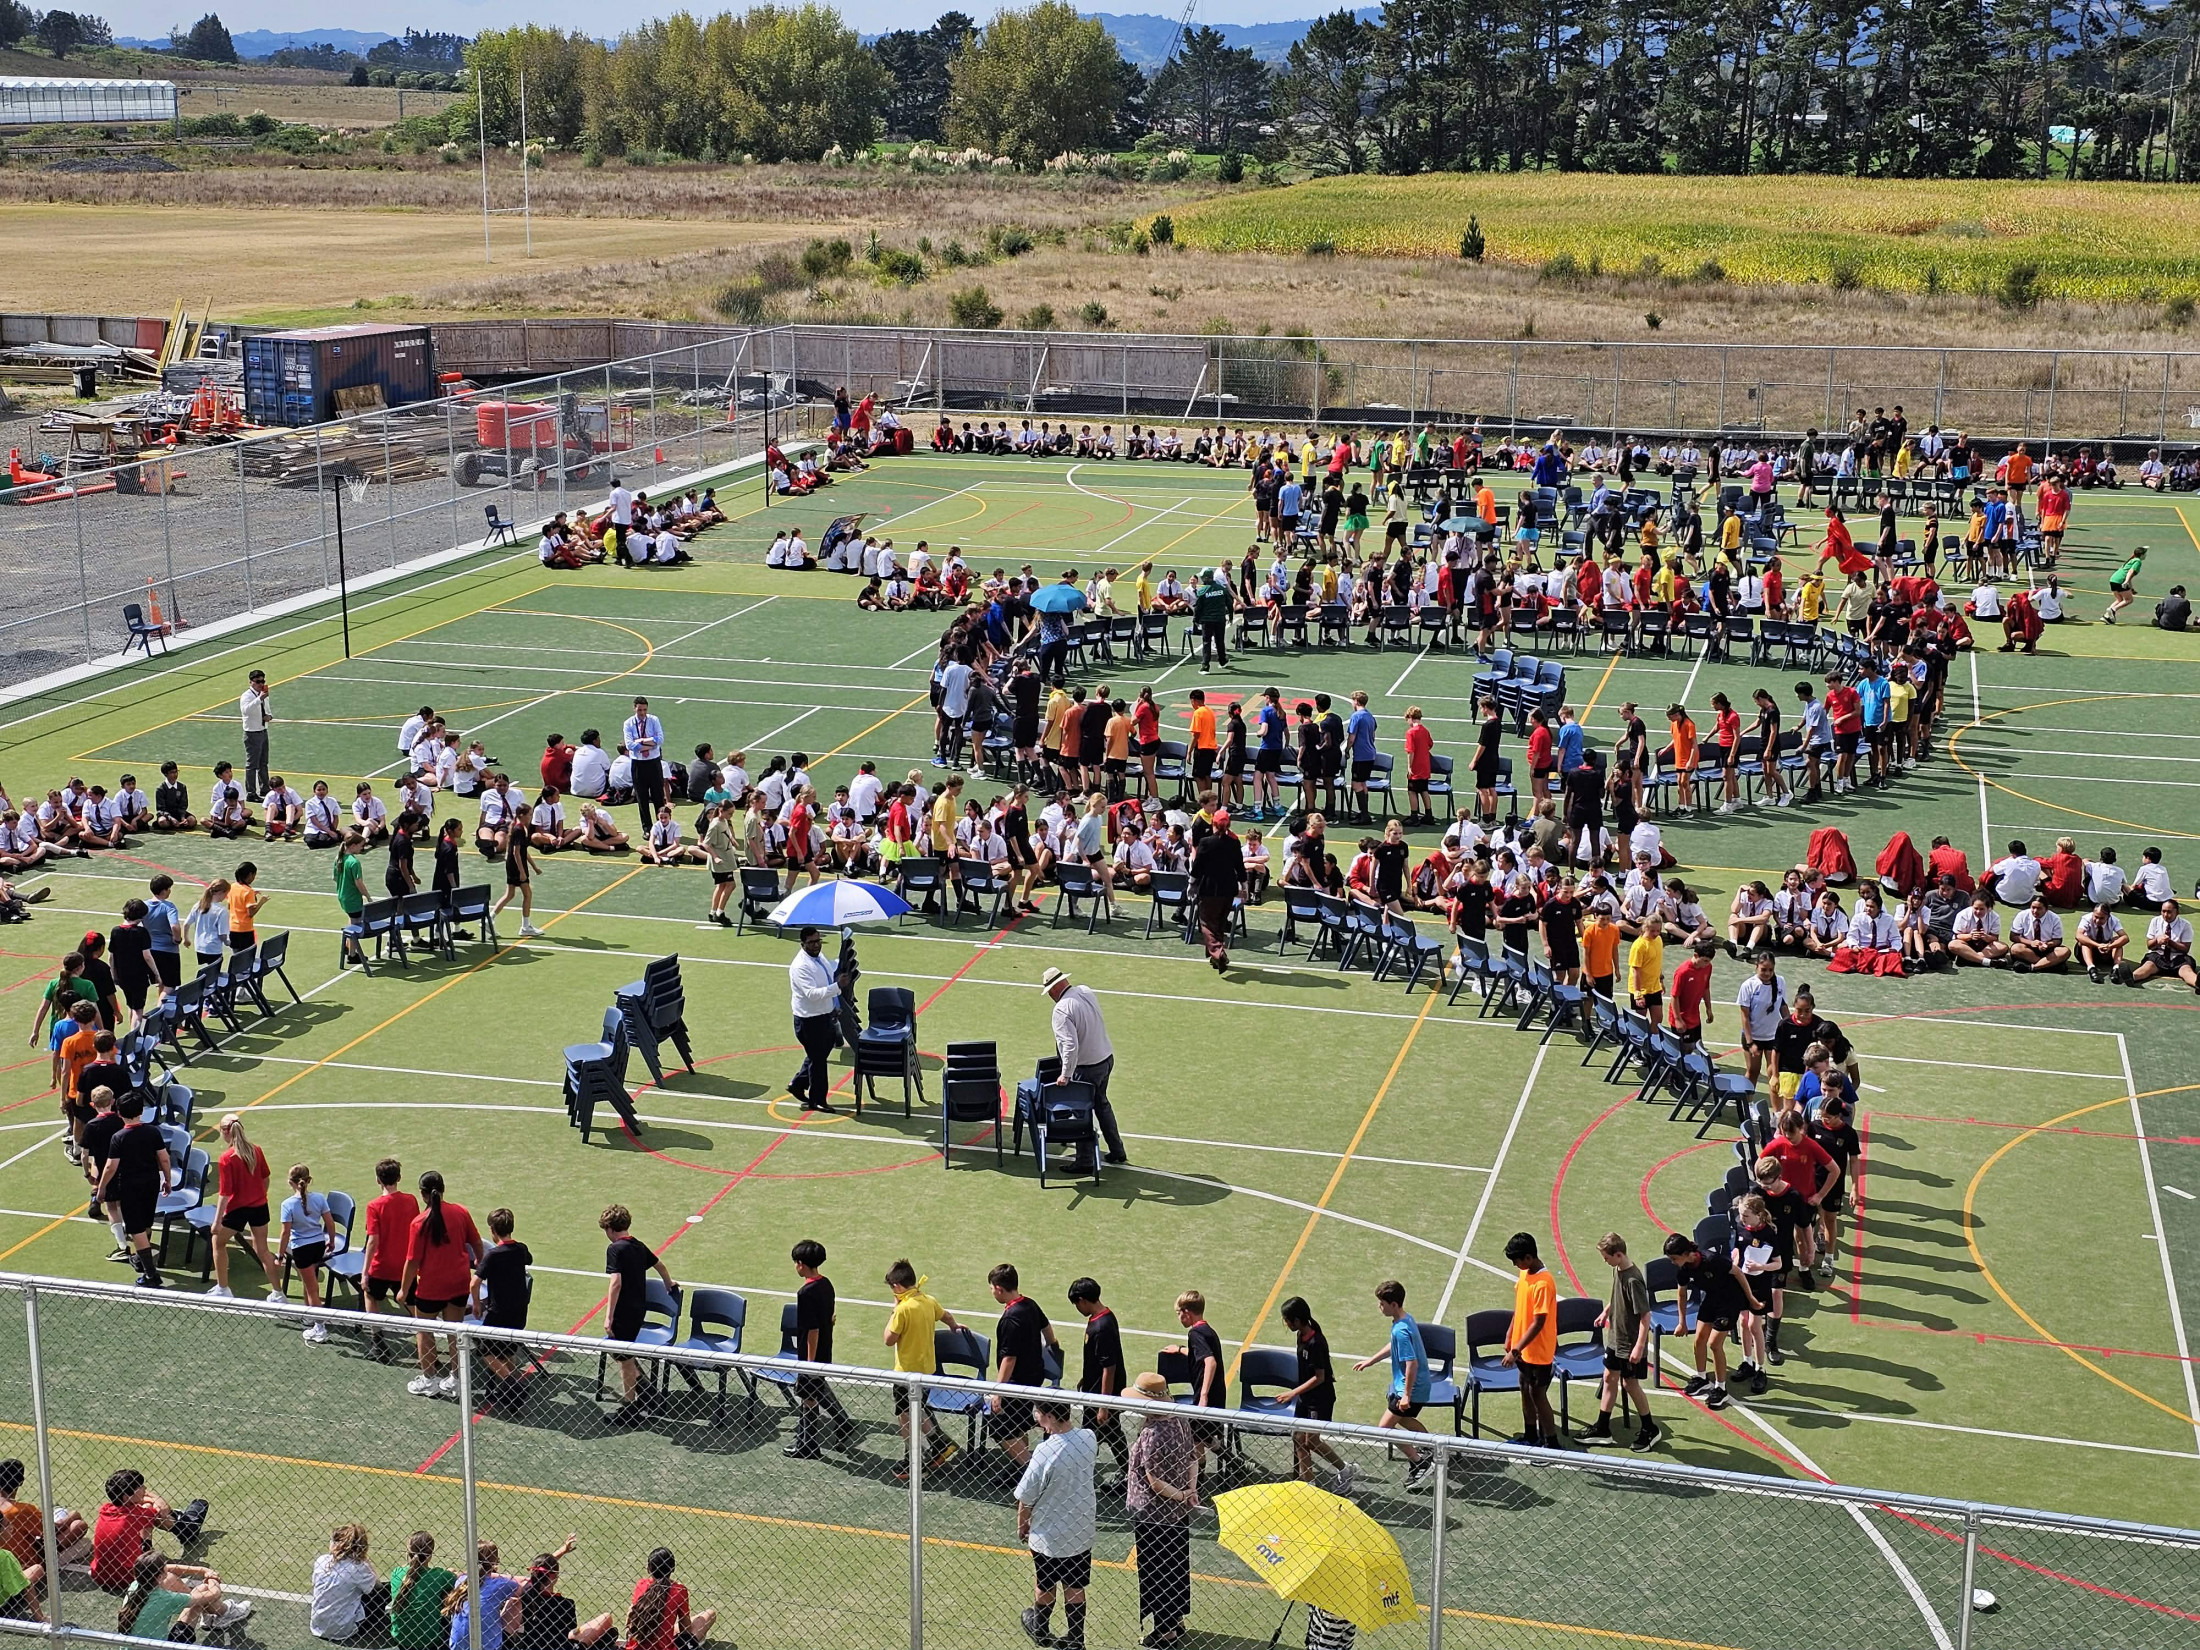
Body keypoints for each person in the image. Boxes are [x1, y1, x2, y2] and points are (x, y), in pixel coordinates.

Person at [1015, 1402, 1098, 1650]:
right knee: (1075, 1584)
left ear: (1049, 1416)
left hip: (1049, 1532)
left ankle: (1040, 1628)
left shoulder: (1044, 1451)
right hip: (1080, 1529)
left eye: (1038, 1413)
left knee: (1045, 1583)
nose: (1036, 1417)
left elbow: (1026, 1497)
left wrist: (1022, 1524)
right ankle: (1075, 1639)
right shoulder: (1088, 1438)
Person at [1125, 1371, 1196, 1647]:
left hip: (1153, 1516)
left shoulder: (1152, 1435)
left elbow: (1154, 1481)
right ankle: (1176, 1620)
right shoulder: (1181, 1420)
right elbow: (1193, 1459)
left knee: (1156, 1570)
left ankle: (1164, 1631)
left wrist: (1179, 1495)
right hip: (1177, 1516)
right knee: (1176, 1566)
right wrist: (1190, 1491)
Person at [399, 1169, 484, 1398]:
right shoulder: (460, 1212)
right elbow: (477, 1243)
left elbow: (412, 1261)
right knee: (455, 1333)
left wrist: (403, 1289)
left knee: (424, 1332)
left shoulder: (418, 1222)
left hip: (430, 1289)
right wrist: (480, 1266)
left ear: (422, 1194)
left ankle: (429, 1380)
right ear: (443, 1189)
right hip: (458, 1284)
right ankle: (456, 1379)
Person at [1664, 1230, 1761, 1411]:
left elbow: (1739, 1273)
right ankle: (1702, 1378)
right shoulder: (1683, 1268)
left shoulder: (1713, 1260)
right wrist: (1682, 1321)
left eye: (1674, 1258)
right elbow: (1682, 1293)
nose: (1672, 1263)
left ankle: (1720, 1388)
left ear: (1686, 1254)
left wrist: (1751, 1299)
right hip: (1712, 1299)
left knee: (1715, 1344)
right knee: (1699, 1339)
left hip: (1730, 1300)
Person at [601, 1203, 679, 1425]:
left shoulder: (615, 1249)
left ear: (609, 1228)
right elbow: (659, 1265)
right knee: (621, 1353)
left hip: (623, 1312)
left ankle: (630, 1407)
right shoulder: (637, 1245)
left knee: (624, 1359)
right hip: (638, 1311)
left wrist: (608, 1316)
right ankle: (648, 1392)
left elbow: (615, 1284)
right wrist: (668, 1282)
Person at [883, 1260, 961, 1478]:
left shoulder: (903, 1310)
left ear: (897, 1287)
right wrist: (954, 1326)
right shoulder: (928, 1301)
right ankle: (938, 1444)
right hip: (927, 1370)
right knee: (918, 1409)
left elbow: (888, 1339)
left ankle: (915, 1458)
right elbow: (945, 1315)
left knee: (905, 1415)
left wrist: (893, 1310)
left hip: (905, 1373)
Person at [1352, 1279, 1433, 1487]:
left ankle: (1419, 1462)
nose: (1380, 1307)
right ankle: (1432, 1446)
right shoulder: (1405, 1320)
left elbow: (1411, 1364)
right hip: (1417, 1385)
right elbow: (1393, 1346)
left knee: (1384, 1428)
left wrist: (1406, 1395)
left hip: (1410, 1388)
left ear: (1393, 1305)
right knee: (1404, 1420)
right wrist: (1371, 1361)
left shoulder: (1401, 1330)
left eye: (1382, 1304)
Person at [1041, 966, 1125, 1165]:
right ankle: (1117, 1149)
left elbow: (1070, 1046)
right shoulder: (1085, 991)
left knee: (1081, 1112)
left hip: (1087, 1068)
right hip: (1105, 1058)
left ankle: (1085, 1159)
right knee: (1102, 1105)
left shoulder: (1061, 1009)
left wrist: (1065, 1074)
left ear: (1053, 990)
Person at [1585, 1233, 1659, 1451]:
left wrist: (1638, 1346)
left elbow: (1645, 1316)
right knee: (1609, 1377)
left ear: (1618, 1254)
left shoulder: (1633, 1279)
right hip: (1616, 1338)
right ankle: (1602, 1427)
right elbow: (1616, 1295)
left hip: (1629, 1343)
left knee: (1630, 1384)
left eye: (1607, 1257)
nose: (1605, 1261)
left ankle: (1649, 1428)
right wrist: (1607, 1312)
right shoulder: (1618, 1270)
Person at [988, 1262, 1060, 1469]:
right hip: (1034, 1376)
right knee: (1018, 1425)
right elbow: (1047, 1329)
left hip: (1016, 1383)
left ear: (999, 1288)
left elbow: (1009, 1358)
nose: (992, 1292)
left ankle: (1030, 1467)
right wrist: (1054, 1346)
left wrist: (997, 1391)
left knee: (1000, 1428)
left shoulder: (1011, 1318)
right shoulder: (1030, 1304)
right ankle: (1020, 1465)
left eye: (992, 1288)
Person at [204, 1113, 283, 1302]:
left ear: (225, 1132)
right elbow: (265, 1179)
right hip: (259, 1207)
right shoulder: (256, 1150)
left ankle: (223, 1288)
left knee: (218, 1241)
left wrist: (216, 1222)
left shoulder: (227, 1158)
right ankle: (278, 1293)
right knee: (263, 1250)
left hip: (237, 1209)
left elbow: (224, 1193)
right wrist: (260, 1196)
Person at [90, 1469, 209, 1593]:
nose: (145, 1488)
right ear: (127, 1496)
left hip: (101, 1576)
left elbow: (138, 1503)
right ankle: (187, 1529)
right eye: (140, 1487)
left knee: (147, 1509)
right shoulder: (136, 1515)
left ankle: (154, 1545)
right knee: (170, 1578)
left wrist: (146, 1499)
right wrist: (155, 1498)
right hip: (129, 1578)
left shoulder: (106, 1509)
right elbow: (163, 1510)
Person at [1499, 1231, 1560, 1448]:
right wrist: (1510, 1333)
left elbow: (1538, 1322)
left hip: (1538, 1352)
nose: (1516, 1265)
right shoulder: (1526, 1274)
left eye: (1517, 1260)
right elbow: (1520, 1308)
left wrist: (1515, 1350)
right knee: (1524, 1389)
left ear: (1528, 1257)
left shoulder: (1543, 1283)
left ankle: (1551, 1443)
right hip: (1523, 1349)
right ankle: (1531, 1435)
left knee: (1538, 1395)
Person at [470, 1207, 534, 1406]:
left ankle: (513, 1385)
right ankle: (510, 1395)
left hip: (499, 1312)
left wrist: (477, 1305)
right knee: (507, 1351)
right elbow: (528, 1260)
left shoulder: (493, 1255)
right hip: (519, 1310)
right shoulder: (521, 1249)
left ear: (492, 1230)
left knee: (485, 1350)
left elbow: (474, 1283)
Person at [117, 1546, 248, 1640]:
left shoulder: (134, 1586)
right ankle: (225, 1613)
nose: (167, 1570)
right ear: (158, 1577)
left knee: (172, 1580)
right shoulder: (165, 1598)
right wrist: (212, 1577)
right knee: (202, 1592)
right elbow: (214, 1593)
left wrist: (202, 1570)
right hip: (162, 1647)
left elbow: (168, 1569)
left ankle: (215, 1614)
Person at [1066, 1277, 1127, 1478]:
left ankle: (1081, 1475)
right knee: (1112, 1433)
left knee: (1090, 1437)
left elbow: (1109, 1367)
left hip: (1100, 1396)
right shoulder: (1102, 1318)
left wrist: (1104, 1405)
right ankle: (1129, 1472)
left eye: (1076, 1304)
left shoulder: (1101, 1327)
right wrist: (1087, 1377)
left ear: (1083, 1300)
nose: (1077, 1308)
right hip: (1097, 1391)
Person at [359, 1156, 418, 1359]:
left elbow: (372, 1241)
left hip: (382, 1267)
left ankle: (378, 1345)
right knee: (413, 1306)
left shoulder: (374, 1206)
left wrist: (365, 1272)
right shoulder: (411, 1200)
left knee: (370, 1296)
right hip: (406, 1267)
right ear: (399, 1178)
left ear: (378, 1180)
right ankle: (427, 1347)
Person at [511, 1543, 612, 1650]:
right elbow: (571, 1634)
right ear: (555, 1576)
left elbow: (542, 1568)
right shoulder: (566, 1604)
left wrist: (562, 1551)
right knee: (607, 1619)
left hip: (531, 1646)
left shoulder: (526, 1594)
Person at [787, 926, 841, 1114]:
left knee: (819, 1053)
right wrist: (837, 987)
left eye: (818, 941)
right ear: (802, 944)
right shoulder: (800, 966)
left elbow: (828, 975)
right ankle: (817, 1099)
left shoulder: (820, 957)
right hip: (809, 1020)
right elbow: (812, 994)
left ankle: (798, 1083)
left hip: (824, 1015)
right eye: (811, 942)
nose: (816, 945)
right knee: (818, 1060)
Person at [623, 1547, 713, 1650]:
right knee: (710, 1614)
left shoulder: (641, 1584)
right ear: (673, 1568)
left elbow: (630, 1616)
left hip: (635, 1645)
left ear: (649, 1568)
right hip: (665, 1647)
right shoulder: (679, 1590)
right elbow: (685, 1629)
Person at [311, 1524, 388, 1643]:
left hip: (317, 1626)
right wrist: (364, 1560)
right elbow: (378, 1586)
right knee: (385, 1591)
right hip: (345, 1630)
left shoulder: (321, 1560)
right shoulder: (358, 1567)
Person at [444, 1543, 520, 1650]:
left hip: (457, 1645)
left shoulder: (461, 1581)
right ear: (496, 1561)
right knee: (516, 1602)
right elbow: (523, 1587)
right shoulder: (499, 1585)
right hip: (487, 1646)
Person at [239, 669, 273, 801]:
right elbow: (246, 711)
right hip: (252, 733)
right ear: (251, 682)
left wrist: (269, 716)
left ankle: (265, 788)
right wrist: (260, 699)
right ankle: (251, 792)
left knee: (263, 762)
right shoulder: (247, 696)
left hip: (263, 730)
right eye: (258, 682)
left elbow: (267, 708)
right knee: (252, 764)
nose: (261, 684)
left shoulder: (263, 694)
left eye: (262, 681)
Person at [2103, 545, 2147, 624]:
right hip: (2120, 581)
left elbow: (2130, 576)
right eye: (2145, 554)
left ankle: (2107, 616)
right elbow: (2130, 572)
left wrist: (2131, 588)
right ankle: (2113, 610)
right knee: (2129, 600)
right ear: (2142, 555)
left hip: (2113, 579)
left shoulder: (2131, 560)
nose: (2146, 556)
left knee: (2119, 600)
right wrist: (2126, 582)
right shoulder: (2137, 561)